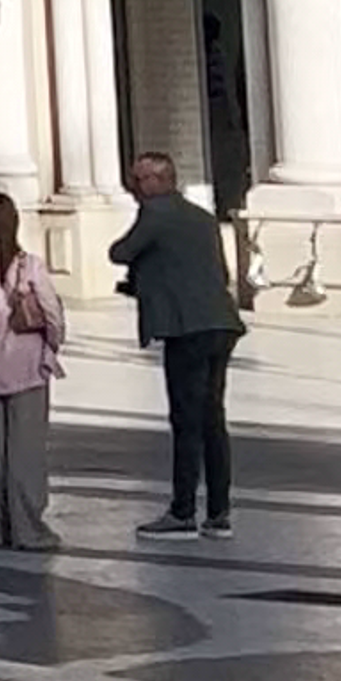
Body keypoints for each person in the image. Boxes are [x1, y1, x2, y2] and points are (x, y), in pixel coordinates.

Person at [116, 148, 241, 535]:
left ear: (159, 181)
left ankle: (183, 510)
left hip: (185, 328)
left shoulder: (156, 213)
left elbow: (120, 251)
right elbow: (219, 271)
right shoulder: (203, 219)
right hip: (221, 323)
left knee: (186, 420)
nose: (134, 187)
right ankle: (219, 512)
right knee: (213, 419)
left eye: (138, 180)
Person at [0, 190, 69, 549]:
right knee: (26, 450)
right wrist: (52, 343)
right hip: (27, 366)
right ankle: (27, 527)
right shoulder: (29, 265)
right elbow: (52, 313)